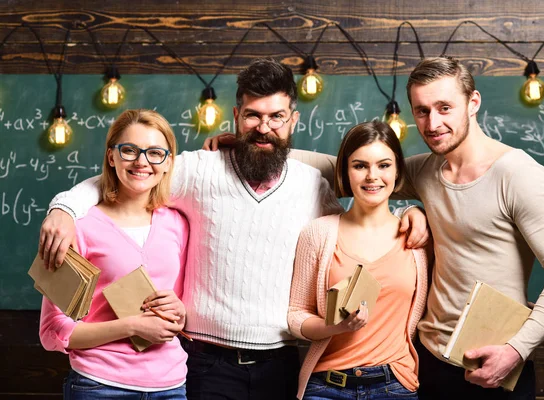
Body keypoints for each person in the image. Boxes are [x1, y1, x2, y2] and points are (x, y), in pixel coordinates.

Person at [38, 58, 429, 400]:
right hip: (204, 362)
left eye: (277, 117)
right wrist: (64, 209)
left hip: (280, 363)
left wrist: (410, 212)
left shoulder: (312, 186)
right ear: (236, 116)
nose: (264, 127)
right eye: (253, 115)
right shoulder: (197, 170)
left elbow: (354, 222)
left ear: (293, 120)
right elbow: (134, 173)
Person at [283, 57, 544, 399]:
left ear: (473, 103)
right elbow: (342, 168)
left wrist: (516, 349)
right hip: (428, 362)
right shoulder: (426, 171)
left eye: (445, 107)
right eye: (422, 111)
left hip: (494, 364)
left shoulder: (518, 175)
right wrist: (256, 144)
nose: (433, 123)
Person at [39, 109, 189, 399]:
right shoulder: (77, 228)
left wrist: (181, 312)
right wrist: (132, 326)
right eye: (129, 150)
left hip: (171, 386)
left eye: (155, 153)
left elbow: (182, 308)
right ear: (111, 157)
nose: (142, 162)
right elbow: (52, 331)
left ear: (168, 163)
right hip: (100, 386)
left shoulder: (178, 224)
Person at [287, 121, 430, 400]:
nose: (372, 176)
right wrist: (335, 327)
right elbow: (295, 314)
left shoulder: (417, 239)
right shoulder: (319, 233)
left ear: (398, 170)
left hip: (395, 385)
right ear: (346, 171)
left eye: (384, 165)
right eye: (360, 165)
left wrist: (417, 210)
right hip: (327, 386)